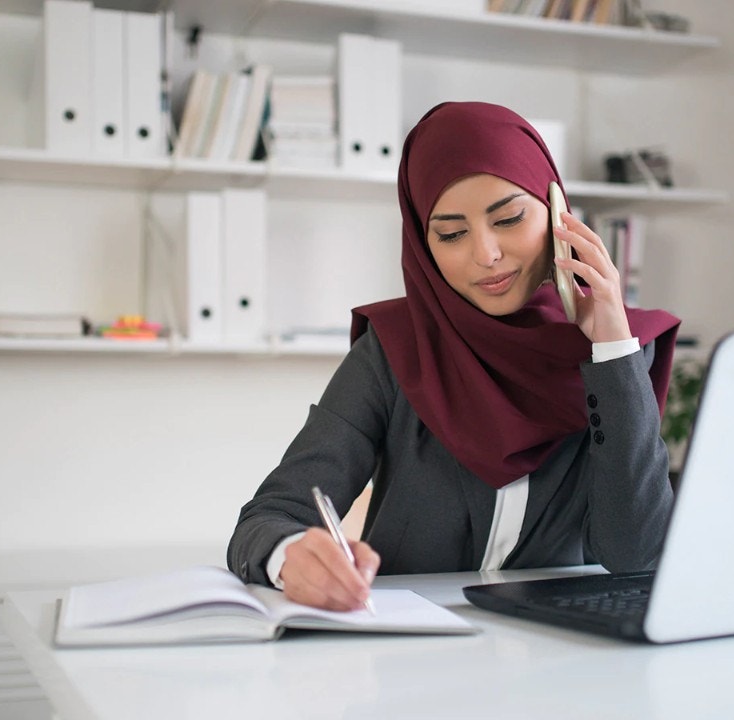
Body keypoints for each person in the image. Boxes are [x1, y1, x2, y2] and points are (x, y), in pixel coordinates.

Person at [228, 101, 681, 612]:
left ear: (558, 211)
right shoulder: (395, 349)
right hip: (414, 653)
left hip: (562, 656)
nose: (486, 253)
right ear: (423, 244)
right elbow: (268, 518)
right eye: (450, 233)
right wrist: (291, 556)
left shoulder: (616, 352)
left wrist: (613, 352)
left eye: (509, 218)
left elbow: (636, 554)